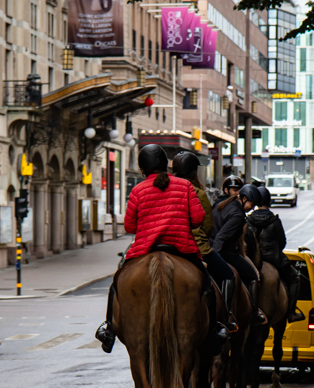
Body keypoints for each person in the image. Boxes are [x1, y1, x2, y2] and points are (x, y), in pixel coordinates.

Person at [95, 144, 227, 353]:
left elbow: (129, 226)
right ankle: (214, 328)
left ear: (142, 169)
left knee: (116, 284)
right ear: (166, 165)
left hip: (144, 248)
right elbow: (199, 218)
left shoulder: (138, 190)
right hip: (182, 248)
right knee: (207, 284)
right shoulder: (185, 186)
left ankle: (109, 328)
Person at [172, 152, 238, 330]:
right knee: (227, 275)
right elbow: (207, 225)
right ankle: (223, 317)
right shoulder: (198, 193)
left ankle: (110, 324)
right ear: (194, 172)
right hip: (195, 247)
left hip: (165, 243)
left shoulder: (166, 189)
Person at [247, 186, 305, 323]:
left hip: (254, 259)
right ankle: (291, 312)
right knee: (295, 279)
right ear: (269, 201)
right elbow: (282, 242)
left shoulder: (249, 220)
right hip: (274, 258)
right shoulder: (274, 220)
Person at [212, 182, 266, 322]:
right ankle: (253, 312)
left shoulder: (222, 204)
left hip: (209, 247)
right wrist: (215, 259)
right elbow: (221, 237)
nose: (252, 208)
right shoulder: (238, 215)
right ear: (244, 199)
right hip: (224, 253)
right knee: (253, 276)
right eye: (252, 204)